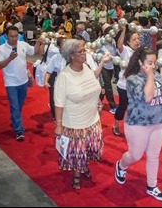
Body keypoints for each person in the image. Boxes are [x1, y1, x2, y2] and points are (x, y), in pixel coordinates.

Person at [114, 47, 162, 201]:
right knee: (135, 155)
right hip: (138, 124)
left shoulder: (156, 74)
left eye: (154, 63)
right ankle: (121, 166)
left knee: (154, 156)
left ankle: (152, 186)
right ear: (140, 62)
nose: (153, 66)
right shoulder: (133, 79)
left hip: (157, 122)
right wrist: (151, 75)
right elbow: (147, 97)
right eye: (149, 63)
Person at [53, 38, 104, 190]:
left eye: (84, 50)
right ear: (71, 55)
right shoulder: (64, 77)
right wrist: (59, 125)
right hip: (75, 123)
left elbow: (93, 87)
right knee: (77, 152)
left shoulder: (87, 68)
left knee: (89, 149)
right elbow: (59, 103)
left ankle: (84, 166)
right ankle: (76, 174)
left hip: (92, 119)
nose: (84, 54)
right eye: (80, 51)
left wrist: (98, 102)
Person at [0, 25, 44, 141]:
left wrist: (38, 42)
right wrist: (9, 59)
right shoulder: (1, 49)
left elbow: (35, 51)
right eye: (11, 36)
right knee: (15, 106)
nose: (14, 38)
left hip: (23, 81)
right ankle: (19, 130)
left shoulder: (23, 45)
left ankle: (15, 119)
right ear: (6, 36)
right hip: (10, 82)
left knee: (19, 106)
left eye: (16, 36)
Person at [112, 25, 141, 136]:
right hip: (124, 85)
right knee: (123, 105)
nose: (137, 41)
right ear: (128, 42)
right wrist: (123, 29)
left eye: (138, 38)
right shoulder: (126, 51)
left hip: (136, 86)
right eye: (134, 39)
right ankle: (116, 124)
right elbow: (119, 45)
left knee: (135, 106)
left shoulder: (140, 52)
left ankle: (132, 126)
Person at [43, 37, 66, 122]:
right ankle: (56, 117)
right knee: (55, 101)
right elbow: (49, 71)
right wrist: (45, 81)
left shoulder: (72, 56)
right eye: (64, 43)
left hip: (71, 84)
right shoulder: (55, 58)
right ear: (59, 46)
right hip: (59, 83)